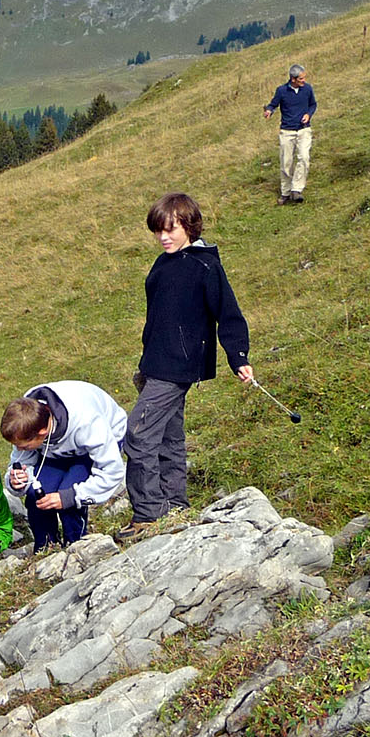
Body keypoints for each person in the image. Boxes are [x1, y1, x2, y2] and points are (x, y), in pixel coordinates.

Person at [122, 193, 254, 540]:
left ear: (189, 226)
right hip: (155, 362)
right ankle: (175, 506)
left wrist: (237, 356)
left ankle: (148, 515)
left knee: (137, 434)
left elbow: (228, 314)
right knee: (168, 436)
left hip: (177, 366)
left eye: (171, 230)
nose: (163, 237)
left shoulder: (204, 266)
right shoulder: (164, 262)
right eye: (158, 231)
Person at [1, 381, 128, 550]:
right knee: (37, 495)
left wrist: (69, 497)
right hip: (57, 450)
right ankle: (46, 547)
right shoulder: (27, 416)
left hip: (96, 445)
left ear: (42, 433)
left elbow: (112, 472)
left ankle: (76, 545)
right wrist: (16, 481)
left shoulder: (87, 422)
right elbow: (20, 462)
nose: (19, 450)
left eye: (23, 447)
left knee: (68, 495)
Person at [263, 63, 316, 204]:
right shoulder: (281, 91)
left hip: (304, 129)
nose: (304, 81)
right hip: (287, 131)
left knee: (304, 158)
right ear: (293, 79)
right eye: (301, 79)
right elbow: (273, 104)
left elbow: (313, 104)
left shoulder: (308, 89)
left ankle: (297, 189)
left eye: (304, 78)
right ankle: (285, 192)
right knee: (286, 162)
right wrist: (269, 111)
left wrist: (308, 115)